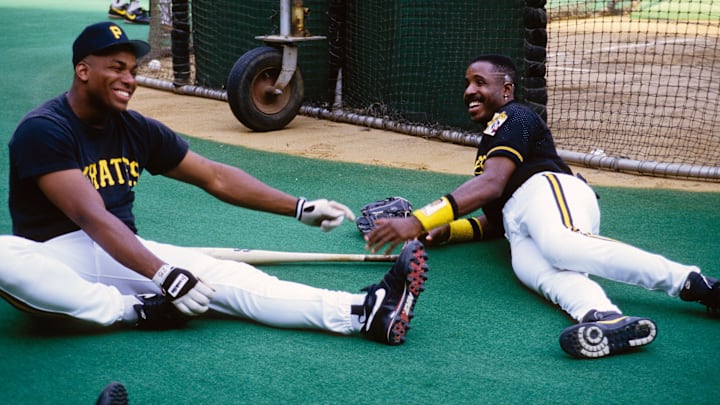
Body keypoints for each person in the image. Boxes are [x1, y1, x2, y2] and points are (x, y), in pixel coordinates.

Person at [0, 22, 429, 346]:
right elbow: (88, 217)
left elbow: (215, 175)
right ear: (82, 70)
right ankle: (134, 311)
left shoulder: (134, 129)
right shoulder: (45, 129)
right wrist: (163, 272)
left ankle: (360, 311)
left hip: (117, 254)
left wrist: (298, 207)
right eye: (116, 68)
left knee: (228, 279)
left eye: (132, 70)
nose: (129, 79)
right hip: (54, 264)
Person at [364, 54, 718, 359]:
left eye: (479, 82)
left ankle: (697, 284)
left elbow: (491, 184)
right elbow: (494, 222)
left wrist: (418, 220)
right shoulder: (489, 140)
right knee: (541, 273)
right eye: (467, 83)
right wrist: (443, 232)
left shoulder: (515, 116)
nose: (469, 90)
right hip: (518, 223)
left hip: (549, 191)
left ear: (506, 89)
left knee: (561, 244)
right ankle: (605, 318)